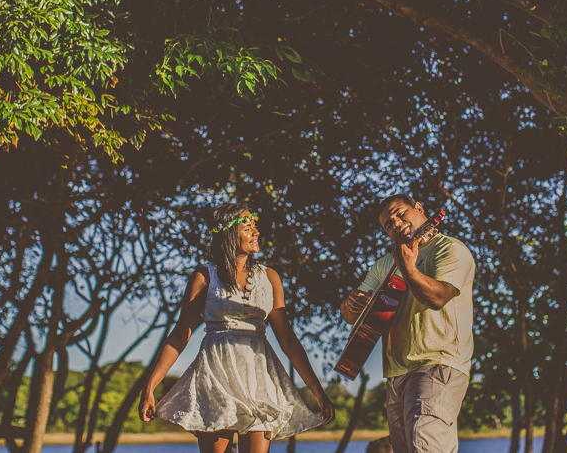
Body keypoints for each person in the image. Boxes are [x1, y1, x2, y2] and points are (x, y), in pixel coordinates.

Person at [139, 203, 335, 453]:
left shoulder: (270, 277)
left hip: (259, 380)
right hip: (216, 377)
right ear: (229, 234)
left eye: (255, 227)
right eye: (247, 227)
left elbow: (288, 340)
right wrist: (149, 388)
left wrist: (318, 392)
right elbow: (179, 336)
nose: (256, 233)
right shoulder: (204, 277)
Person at [340, 194, 475, 453]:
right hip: (396, 375)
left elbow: (437, 297)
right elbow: (350, 316)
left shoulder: (449, 249)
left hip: (437, 364)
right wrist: (350, 305)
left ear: (419, 209)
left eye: (400, 213)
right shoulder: (384, 265)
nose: (396, 223)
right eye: (388, 224)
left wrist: (409, 268)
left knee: (426, 447)